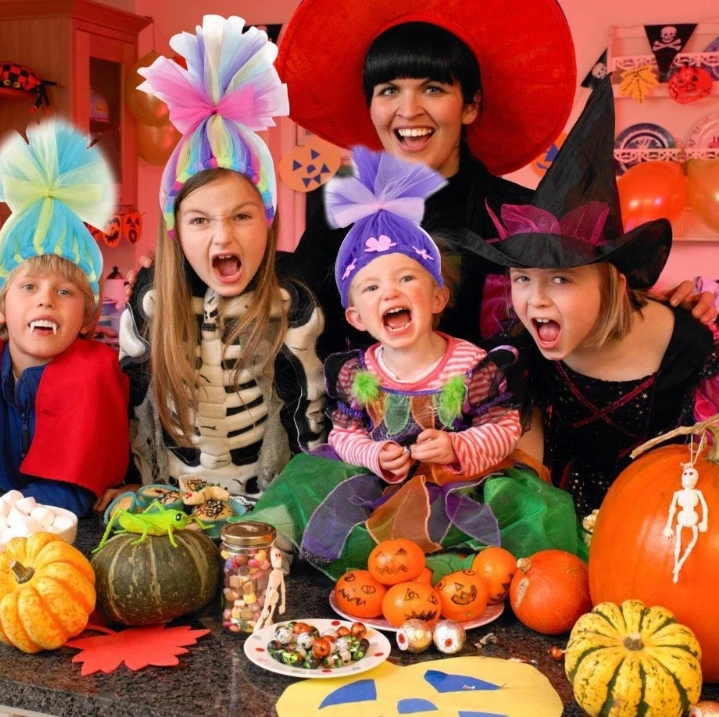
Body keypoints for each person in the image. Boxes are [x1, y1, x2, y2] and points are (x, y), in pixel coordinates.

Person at [272, 0, 715, 354]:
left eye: (432, 89)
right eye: (388, 91)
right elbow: (300, 316)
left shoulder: (523, 216)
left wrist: (668, 309)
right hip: (362, 410)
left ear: (470, 106)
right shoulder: (340, 207)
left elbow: (595, 311)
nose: (408, 110)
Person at [241, 147, 580, 579]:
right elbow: (345, 434)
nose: (390, 293)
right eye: (371, 287)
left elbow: (504, 428)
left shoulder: (471, 365)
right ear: (356, 318)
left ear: (438, 297)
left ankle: (452, 569)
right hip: (376, 491)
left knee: (516, 511)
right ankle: (269, 552)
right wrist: (374, 454)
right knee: (306, 480)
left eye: (406, 279)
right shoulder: (358, 372)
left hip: (459, 489)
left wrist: (458, 448)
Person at [452, 80, 719, 520]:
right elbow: (527, 453)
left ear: (610, 281)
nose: (536, 300)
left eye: (561, 279)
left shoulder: (691, 347)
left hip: (663, 516)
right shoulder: (523, 348)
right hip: (565, 510)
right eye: (522, 278)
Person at [116, 16, 325, 500]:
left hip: (267, 503)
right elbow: (131, 401)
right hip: (167, 498)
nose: (222, 236)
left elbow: (309, 416)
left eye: (242, 216)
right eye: (199, 221)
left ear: (268, 221)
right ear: (176, 231)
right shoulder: (149, 299)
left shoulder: (292, 305)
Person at [0, 121, 129, 539]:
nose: (45, 300)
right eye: (29, 286)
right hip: (5, 509)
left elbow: (61, 499)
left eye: (65, 291)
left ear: (88, 319)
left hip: (76, 529)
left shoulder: (93, 373)